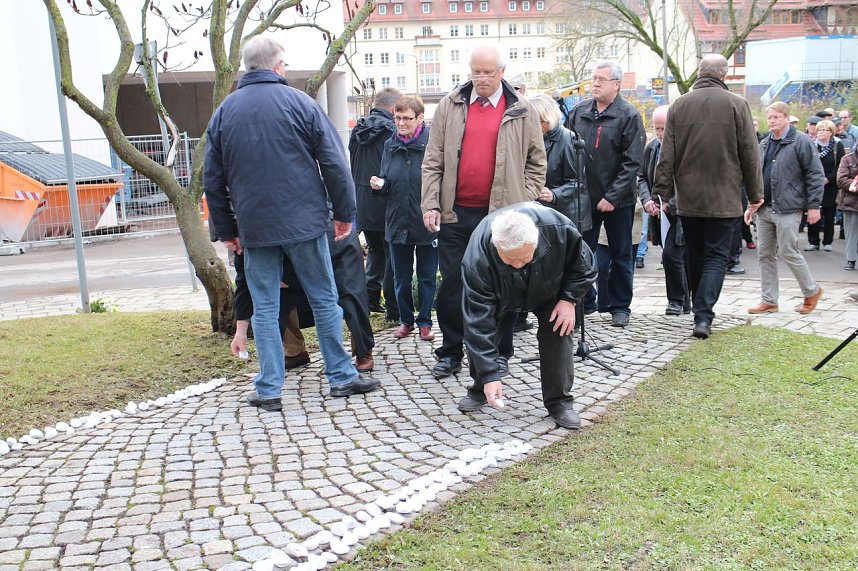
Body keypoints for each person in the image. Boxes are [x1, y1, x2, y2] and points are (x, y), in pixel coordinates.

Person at [205, 36, 379, 410]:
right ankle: (341, 376)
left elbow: (212, 178)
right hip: (305, 222)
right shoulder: (301, 104)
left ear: (247, 68)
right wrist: (345, 214)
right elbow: (333, 161)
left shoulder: (224, 112)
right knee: (323, 298)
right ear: (279, 66)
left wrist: (227, 230)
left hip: (255, 228)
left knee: (266, 308)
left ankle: (269, 389)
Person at [421, 44, 547, 379]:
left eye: (488, 72)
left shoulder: (521, 109)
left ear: (501, 72)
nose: (481, 78)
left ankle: (499, 353)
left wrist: (526, 198)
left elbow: (537, 162)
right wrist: (431, 202)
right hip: (456, 213)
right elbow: (433, 158)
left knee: (502, 285)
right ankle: (450, 351)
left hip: (503, 216)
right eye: (475, 71)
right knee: (452, 286)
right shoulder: (451, 105)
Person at [651, 54, 763, 339]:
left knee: (695, 254)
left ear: (700, 73)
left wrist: (660, 192)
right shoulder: (737, 105)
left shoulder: (679, 105)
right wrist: (755, 194)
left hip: (688, 199)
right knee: (716, 257)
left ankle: (700, 312)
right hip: (724, 199)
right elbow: (750, 154)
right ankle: (703, 315)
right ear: (723, 75)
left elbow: (667, 154)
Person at [456, 204, 596, 429]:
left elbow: (585, 267)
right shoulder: (477, 260)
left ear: (537, 241)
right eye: (511, 260)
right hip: (500, 292)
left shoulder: (559, 229)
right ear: (497, 246)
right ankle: (482, 385)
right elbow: (478, 324)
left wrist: (569, 299)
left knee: (558, 330)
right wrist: (491, 375)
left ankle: (560, 402)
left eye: (525, 258)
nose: (519, 265)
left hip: (550, 286)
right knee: (481, 332)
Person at [565, 60, 646, 328]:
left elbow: (632, 162)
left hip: (617, 201)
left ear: (616, 84)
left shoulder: (628, 116)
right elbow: (567, 150)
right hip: (584, 199)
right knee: (580, 253)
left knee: (621, 254)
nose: (595, 83)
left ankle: (620, 306)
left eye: (601, 79)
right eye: (594, 78)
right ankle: (585, 302)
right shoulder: (578, 112)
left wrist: (612, 196)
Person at [747, 101, 825, 316]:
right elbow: (757, 177)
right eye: (769, 117)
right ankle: (769, 300)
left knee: (790, 251)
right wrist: (751, 205)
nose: (771, 121)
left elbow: (815, 175)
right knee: (764, 254)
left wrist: (814, 206)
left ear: (786, 118)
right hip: (764, 209)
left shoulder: (800, 141)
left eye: (776, 117)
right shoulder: (764, 143)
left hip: (789, 208)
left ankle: (811, 291)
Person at [371, 96, 438, 342]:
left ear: (420, 118)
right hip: (397, 220)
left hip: (426, 221)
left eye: (406, 118)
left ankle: (425, 322)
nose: (400, 123)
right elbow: (387, 178)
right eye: (397, 118)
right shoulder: (390, 144)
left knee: (427, 276)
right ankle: (406, 320)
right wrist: (380, 185)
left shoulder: (432, 143)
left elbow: (439, 180)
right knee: (400, 276)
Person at [349, 88, 401, 322]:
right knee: (391, 255)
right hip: (385, 199)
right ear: (392, 109)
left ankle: (370, 298)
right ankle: (393, 308)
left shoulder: (357, 130)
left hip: (362, 201)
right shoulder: (391, 131)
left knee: (377, 252)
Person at [640, 105, 690, 316]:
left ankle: (677, 300)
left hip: (683, 211)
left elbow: (690, 182)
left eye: (663, 128)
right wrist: (647, 200)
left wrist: (671, 202)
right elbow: (642, 177)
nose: (660, 133)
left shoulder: (685, 147)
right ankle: (684, 301)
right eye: (656, 129)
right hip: (660, 213)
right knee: (674, 255)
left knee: (673, 255)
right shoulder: (651, 148)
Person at [805, 119, 845, 252]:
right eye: (820, 130)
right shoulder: (812, 145)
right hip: (814, 184)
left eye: (825, 130)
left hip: (830, 185)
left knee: (829, 213)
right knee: (813, 210)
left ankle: (827, 241)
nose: (821, 133)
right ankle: (813, 241)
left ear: (831, 132)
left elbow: (840, 166)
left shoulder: (837, 146)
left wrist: (828, 179)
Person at [836, 145, 858, 271]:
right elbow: (841, 179)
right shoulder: (847, 159)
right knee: (851, 232)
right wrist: (854, 184)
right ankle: (851, 259)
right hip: (851, 202)